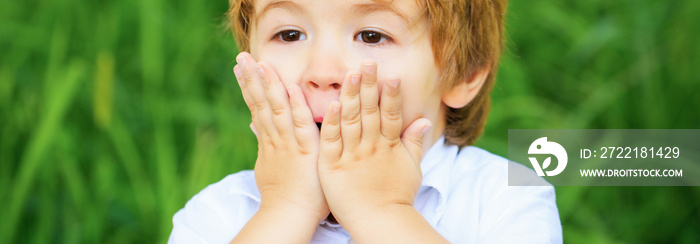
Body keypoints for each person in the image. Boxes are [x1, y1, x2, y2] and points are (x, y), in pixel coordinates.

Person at [169, 0, 562, 243]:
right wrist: (286, 208)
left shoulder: (505, 200)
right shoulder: (219, 215)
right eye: (289, 34)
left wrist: (382, 210)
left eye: (372, 35)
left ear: (465, 73)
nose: (322, 71)